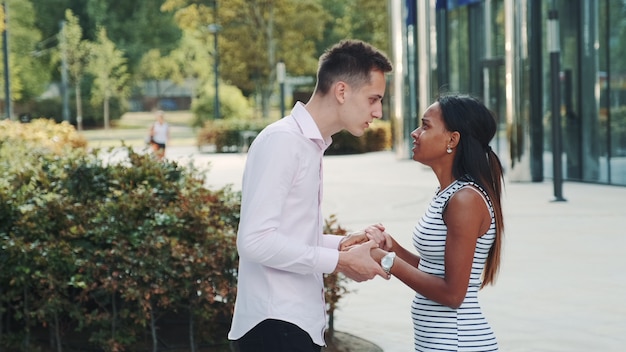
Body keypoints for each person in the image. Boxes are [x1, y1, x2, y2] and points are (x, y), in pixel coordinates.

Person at [228, 39, 393, 352]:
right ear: (342, 91)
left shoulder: (308, 144)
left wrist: (344, 245)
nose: (378, 111)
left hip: (292, 327)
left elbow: (287, 235)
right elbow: (254, 241)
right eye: (374, 99)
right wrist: (340, 261)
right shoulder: (284, 141)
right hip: (274, 328)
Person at [367, 94, 505, 351]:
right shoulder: (449, 193)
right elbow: (435, 270)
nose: (414, 133)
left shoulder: (465, 199)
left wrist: (385, 261)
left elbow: (453, 294)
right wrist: (391, 248)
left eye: (425, 126)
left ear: (452, 139)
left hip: (457, 342)